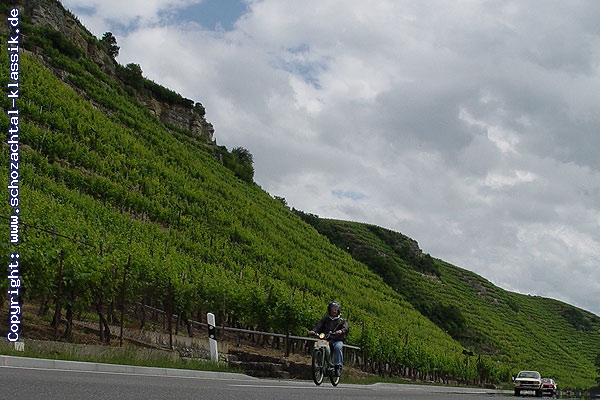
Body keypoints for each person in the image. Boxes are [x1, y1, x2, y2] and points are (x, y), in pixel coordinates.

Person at [308, 301, 349, 377]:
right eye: (333, 309)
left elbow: (345, 327)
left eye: (336, 309)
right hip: (327, 340)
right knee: (318, 344)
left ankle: (338, 366)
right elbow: (318, 326)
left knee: (338, 347)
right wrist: (314, 331)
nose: (334, 311)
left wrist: (341, 331)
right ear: (329, 310)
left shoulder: (341, 320)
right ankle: (319, 362)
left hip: (337, 340)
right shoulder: (325, 319)